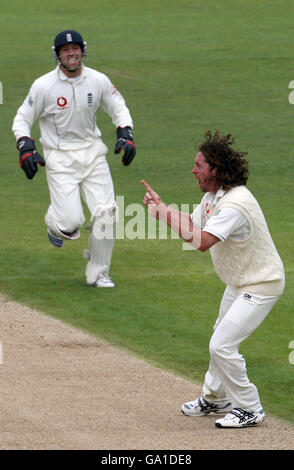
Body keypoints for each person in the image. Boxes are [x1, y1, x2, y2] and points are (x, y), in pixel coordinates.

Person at [141, 130, 285, 428]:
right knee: (221, 335)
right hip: (240, 282)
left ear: (215, 170)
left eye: (198, 165)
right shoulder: (213, 198)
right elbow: (193, 224)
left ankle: (249, 407)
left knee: (221, 345)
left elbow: (203, 240)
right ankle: (216, 399)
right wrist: (161, 210)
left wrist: (164, 215)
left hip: (262, 284)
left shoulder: (234, 203)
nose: (193, 170)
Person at [12, 30, 136, 288]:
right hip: (59, 158)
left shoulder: (98, 80)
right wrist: (25, 147)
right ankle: (55, 220)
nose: (71, 54)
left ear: (83, 50)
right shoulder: (44, 85)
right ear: (57, 55)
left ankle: (99, 273)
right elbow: (22, 118)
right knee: (71, 224)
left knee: (107, 213)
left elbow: (118, 107)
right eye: (65, 50)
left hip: (93, 153)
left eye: (75, 48)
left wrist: (126, 133)